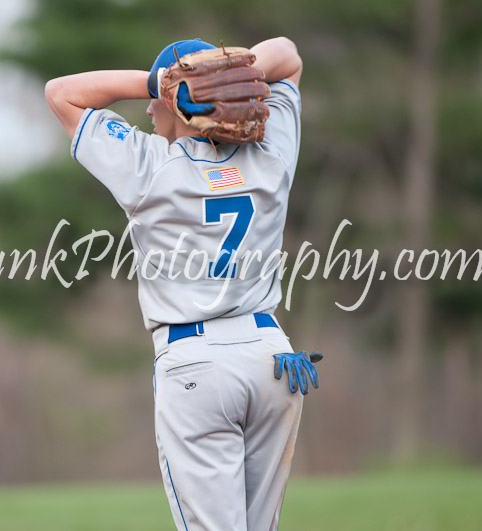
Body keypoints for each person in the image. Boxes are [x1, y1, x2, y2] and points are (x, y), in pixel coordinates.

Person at [45, 36, 317, 531]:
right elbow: (288, 55)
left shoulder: (150, 167)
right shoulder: (273, 153)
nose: (150, 108)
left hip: (196, 364)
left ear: (182, 102)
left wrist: (164, 83)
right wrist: (221, 76)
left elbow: (62, 92)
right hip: (272, 358)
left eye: (159, 97)